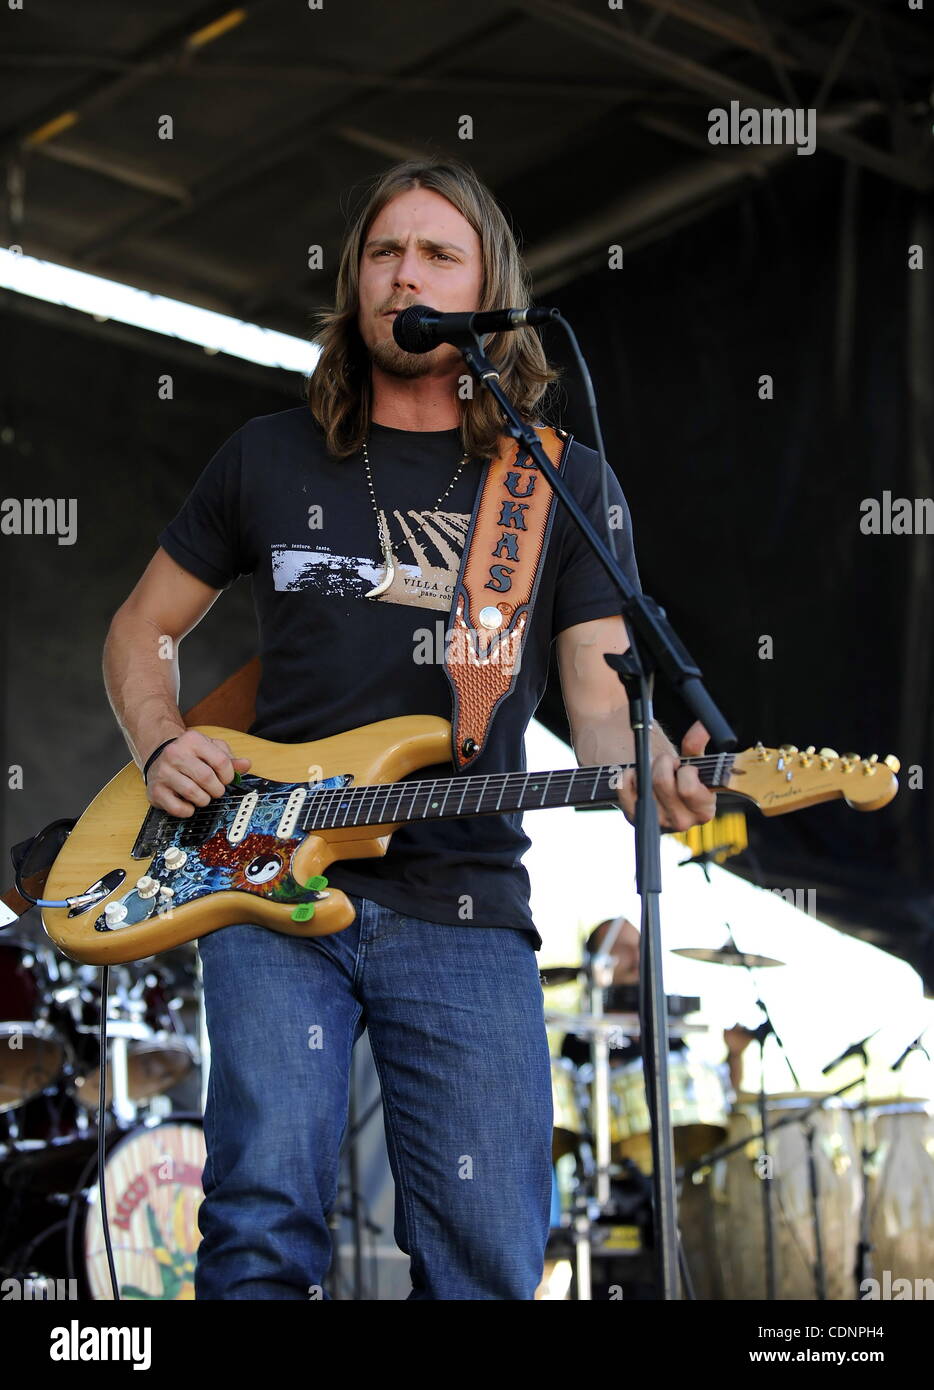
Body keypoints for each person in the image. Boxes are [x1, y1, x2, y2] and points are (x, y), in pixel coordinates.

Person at [102, 157, 716, 1301]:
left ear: (488, 287)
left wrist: (652, 779)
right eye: (384, 253)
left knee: (486, 1253)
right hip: (263, 877)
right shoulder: (267, 456)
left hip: (467, 901)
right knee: (259, 1224)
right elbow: (141, 630)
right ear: (354, 286)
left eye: (437, 254)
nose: (405, 275)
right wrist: (158, 741)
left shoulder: (559, 484)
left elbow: (597, 719)